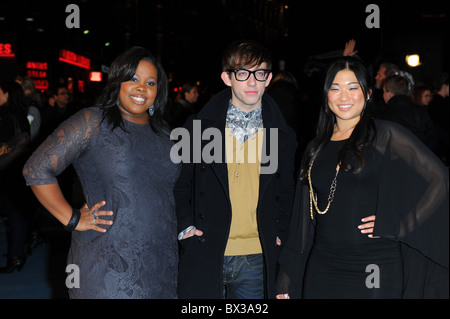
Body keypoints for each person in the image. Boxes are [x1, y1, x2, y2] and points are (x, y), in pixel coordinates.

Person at [276, 57, 448, 299]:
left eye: (352, 87)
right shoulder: (315, 146)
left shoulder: (385, 135)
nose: (343, 96)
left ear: (367, 93)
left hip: (374, 264)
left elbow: (440, 181)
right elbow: (304, 216)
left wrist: (399, 224)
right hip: (322, 266)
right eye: (335, 88)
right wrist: (287, 275)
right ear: (326, 95)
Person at [22, 46, 181, 298]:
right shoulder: (93, 122)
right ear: (117, 82)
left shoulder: (165, 135)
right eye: (133, 79)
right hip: (108, 267)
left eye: (150, 82)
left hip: (162, 266)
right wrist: (72, 218)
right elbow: (36, 169)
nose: (142, 88)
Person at [174, 40, 296, 299]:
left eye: (259, 73)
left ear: (268, 78)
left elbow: (287, 191)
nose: (252, 82)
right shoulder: (197, 128)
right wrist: (184, 228)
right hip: (206, 249)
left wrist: (280, 234)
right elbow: (179, 185)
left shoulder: (281, 135)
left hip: (256, 255)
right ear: (227, 78)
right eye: (243, 73)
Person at [0, 81, 31, 273]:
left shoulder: (5, 117)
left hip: (6, 173)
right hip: (19, 171)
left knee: (14, 215)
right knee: (17, 214)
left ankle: (16, 257)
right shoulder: (22, 115)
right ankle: (19, 253)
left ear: (7, 94)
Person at [381, 72, 437, 151]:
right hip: (421, 159)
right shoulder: (421, 111)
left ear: (390, 93)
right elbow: (432, 142)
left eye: (383, 91)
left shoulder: (386, 115)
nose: (383, 95)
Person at [428, 73, 449, 166]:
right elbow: (439, 128)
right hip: (441, 150)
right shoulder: (441, 104)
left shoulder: (434, 103)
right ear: (444, 86)